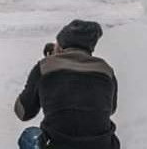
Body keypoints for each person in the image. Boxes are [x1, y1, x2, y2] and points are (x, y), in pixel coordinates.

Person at [14, 19, 119, 149]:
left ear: (60, 45)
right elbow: (110, 109)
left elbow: (23, 112)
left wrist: (43, 76)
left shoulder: (45, 67)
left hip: (58, 145)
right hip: (103, 146)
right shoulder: (106, 70)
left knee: (30, 136)